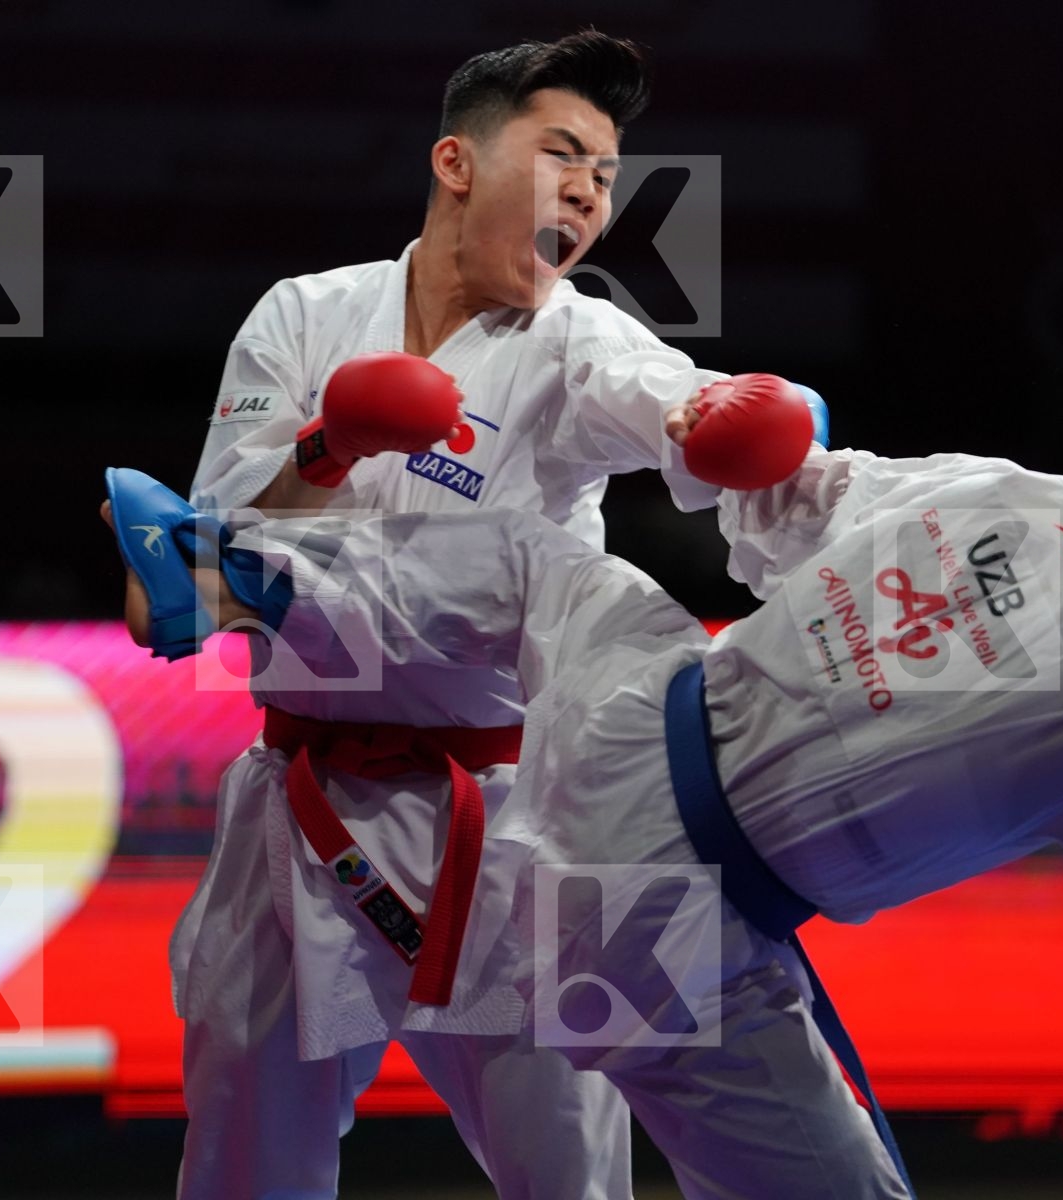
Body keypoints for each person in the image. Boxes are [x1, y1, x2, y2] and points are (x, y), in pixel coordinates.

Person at [108, 366, 1063, 1197]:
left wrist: (750, 428)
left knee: (537, 563)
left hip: (623, 709)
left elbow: (784, 504)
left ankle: (254, 567)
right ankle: (264, 572)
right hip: (659, 932)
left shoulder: (1021, 495)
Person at [158, 29, 822, 1200]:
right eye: (563, 152)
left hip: (516, 829)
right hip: (299, 811)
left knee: (566, 1175)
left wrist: (732, 420)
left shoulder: (579, 343)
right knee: (243, 1166)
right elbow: (216, 526)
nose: (587, 191)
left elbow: (679, 405)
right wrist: (334, 438)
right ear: (457, 163)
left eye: (607, 176)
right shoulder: (306, 315)